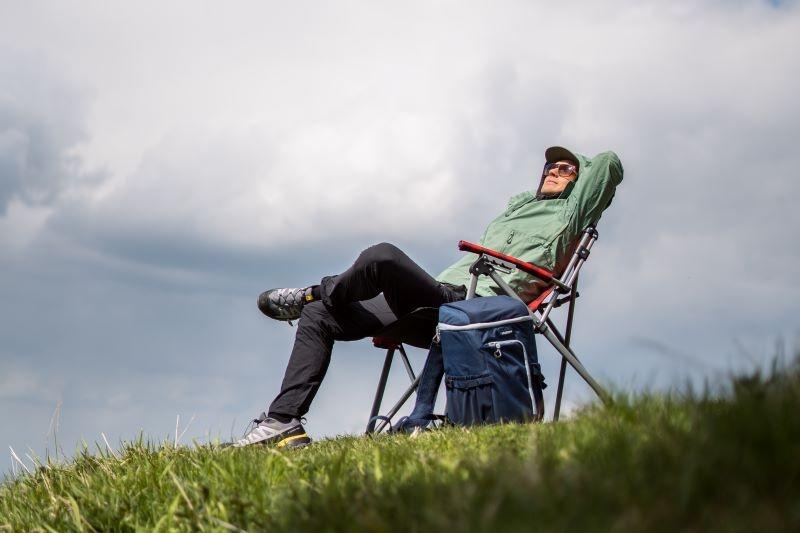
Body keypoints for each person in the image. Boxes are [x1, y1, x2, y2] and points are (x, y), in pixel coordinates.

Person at [233, 146, 623, 448]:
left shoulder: (570, 215)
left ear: (580, 185)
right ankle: (283, 421)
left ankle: (312, 292)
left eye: (566, 169)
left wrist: (581, 174)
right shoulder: (517, 211)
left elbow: (608, 164)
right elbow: (525, 197)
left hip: (471, 308)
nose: (553, 171)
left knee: (382, 257)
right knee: (319, 316)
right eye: (550, 167)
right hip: (434, 301)